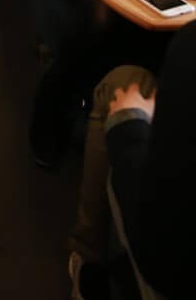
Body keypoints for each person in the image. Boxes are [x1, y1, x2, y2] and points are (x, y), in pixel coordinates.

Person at [68, 23, 196, 300]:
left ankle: (89, 263)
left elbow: (162, 254)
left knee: (123, 81)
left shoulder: (189, 51)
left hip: (172, 276)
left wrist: (129, 127)